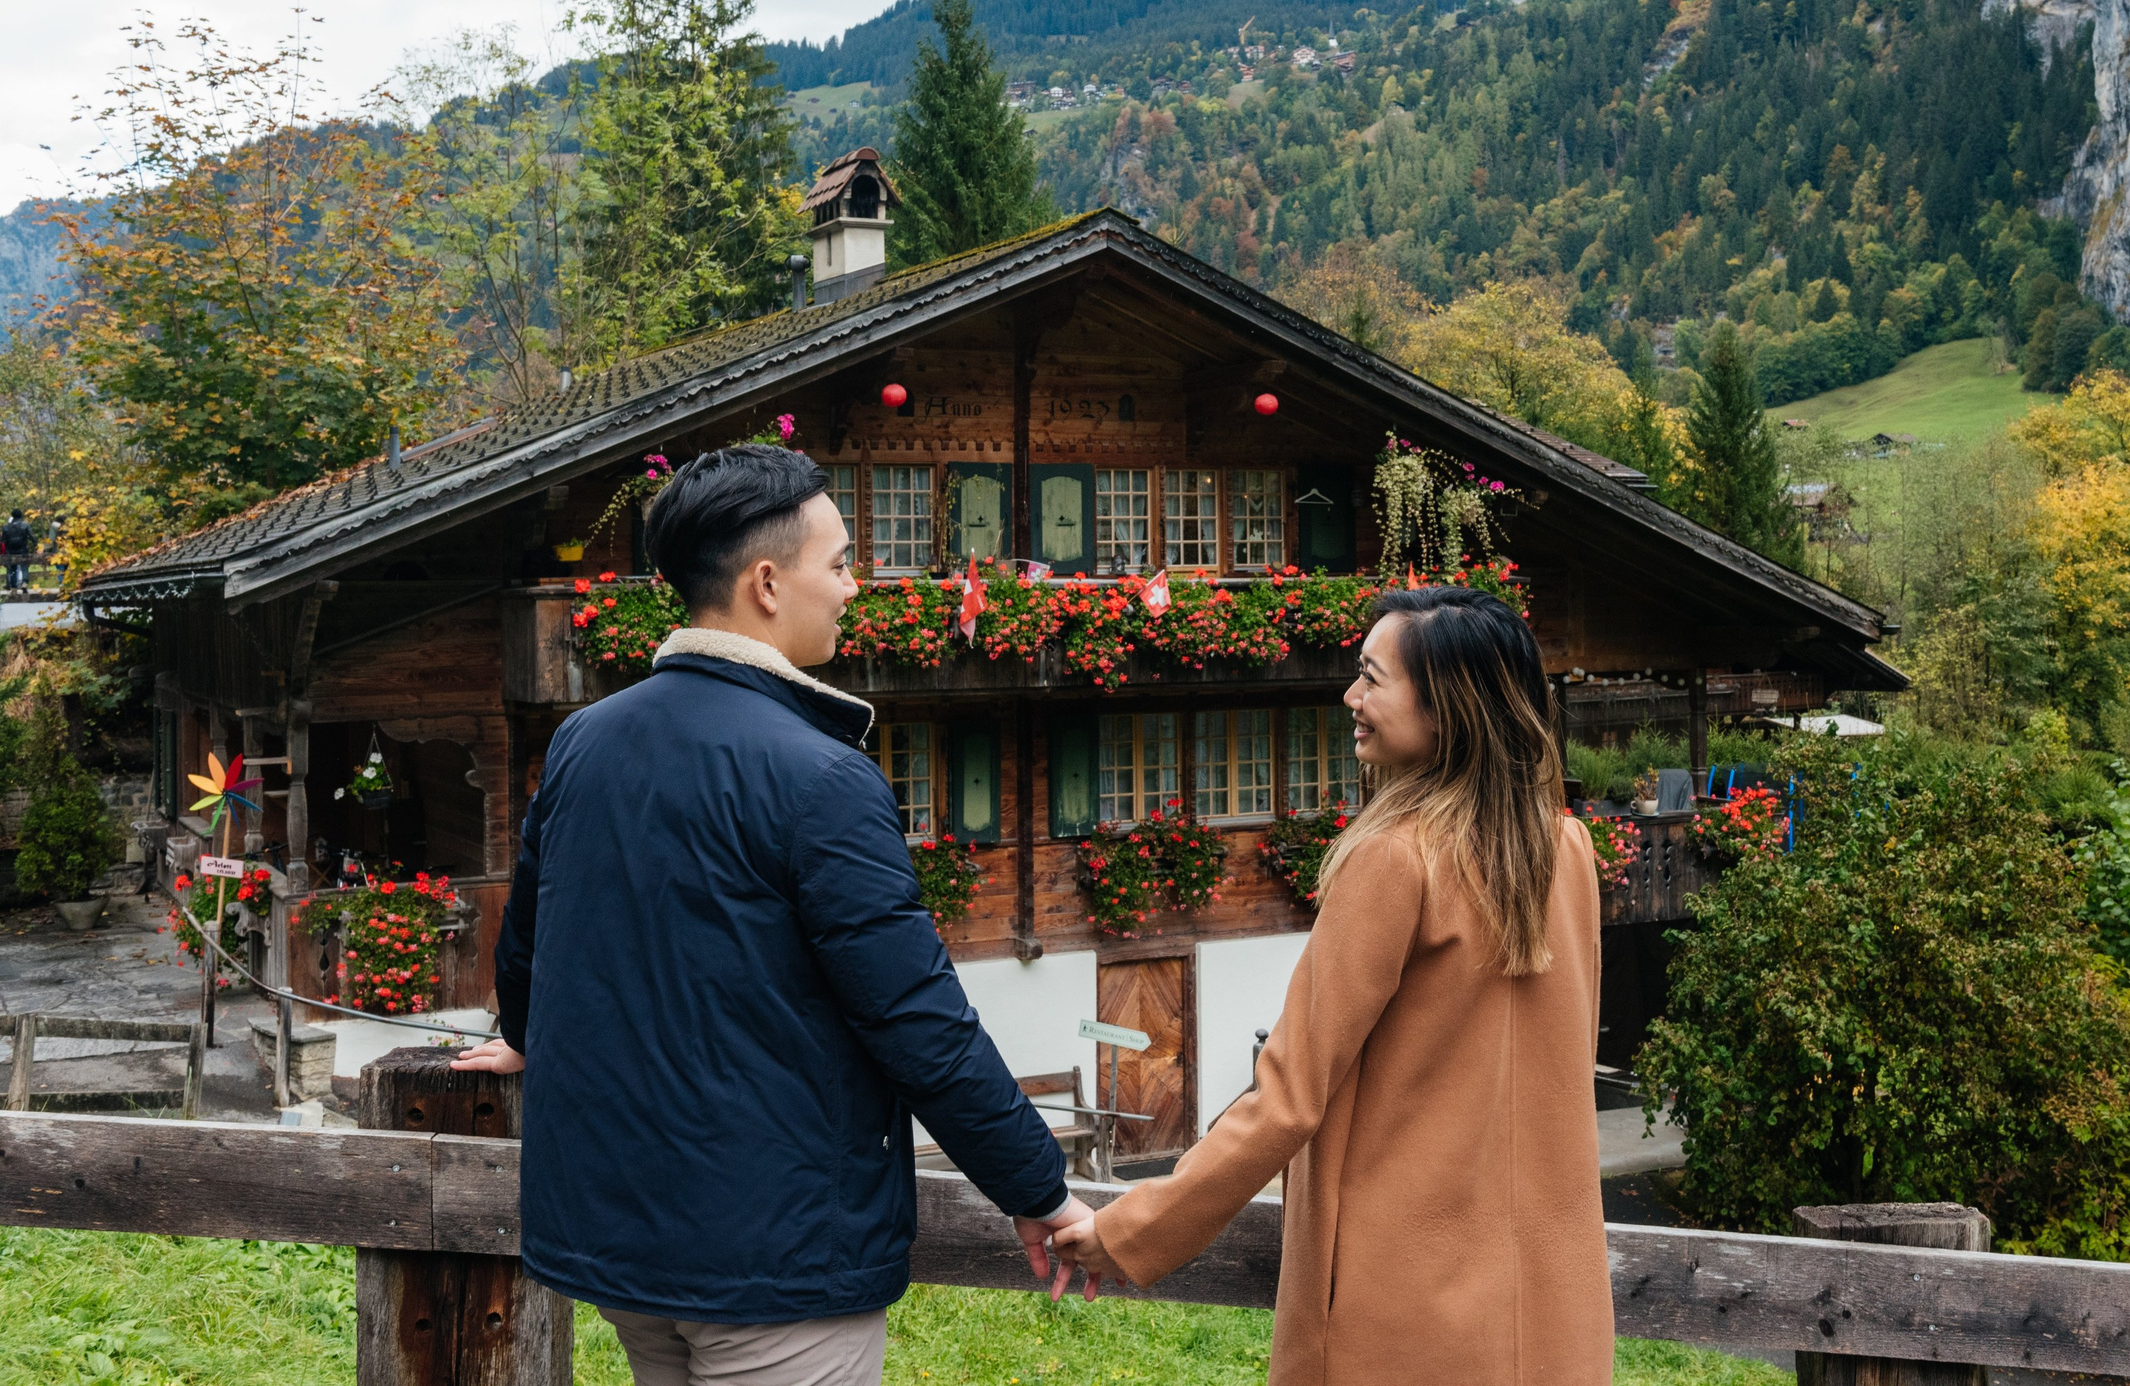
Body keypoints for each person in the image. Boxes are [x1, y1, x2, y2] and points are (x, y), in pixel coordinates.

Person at [456, 444, 1089, 1386]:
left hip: (623, 1236)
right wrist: (1039, 1188)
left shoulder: (584, 739)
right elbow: (915, 1016)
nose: (851, 586)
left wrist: (521, 1031)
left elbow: (532, 930)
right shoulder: (822, 776)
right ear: (765, 581)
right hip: (779, 1255)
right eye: (837, 563)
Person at [1049, 586, 1613, 1384]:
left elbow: (1287, 1097)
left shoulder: (1395, 860)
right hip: (1555, 1322)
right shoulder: (1568, 853)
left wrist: (1133, 1226)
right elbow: (1565, 1073)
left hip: (1400, 1319)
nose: (1350, 696)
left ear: (1447, 707)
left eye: (1372, 678)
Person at [1, 508, 30, 590]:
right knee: (24, 566)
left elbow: (3, 540)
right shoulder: (25, 525)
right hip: (23, 549)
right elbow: (32, 536)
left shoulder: (6, 527)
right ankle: (24, 582)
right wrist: (36, 545)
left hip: (11, 550)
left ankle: (13, 585)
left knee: (13, 567)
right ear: (21, 515)